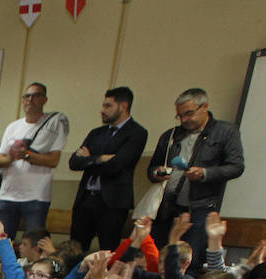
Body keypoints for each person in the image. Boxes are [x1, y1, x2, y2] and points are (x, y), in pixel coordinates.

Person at [147, 88, 245, 266]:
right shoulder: (171, 135)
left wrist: (205, 173)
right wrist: (157, 173)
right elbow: (151, 169)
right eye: (180, 116)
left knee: (188, 261)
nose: (184, 120)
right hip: (167, 206)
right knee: (157, 257)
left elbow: (236, 167)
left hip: (200, 207)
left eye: (189, 114)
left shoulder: (226, 131)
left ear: (205, 107)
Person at [68, 87, 149, 253]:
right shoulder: (97, 133)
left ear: (123, 106)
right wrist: (99, 158)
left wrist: (89, 159)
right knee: (74, 249)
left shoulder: (136, 133)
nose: (102, 110)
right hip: (85, 199)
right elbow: (74, 162)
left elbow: (116, 165)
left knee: (107, 250)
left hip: (112, 202)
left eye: (108, 106)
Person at [0, 83, 69, 235]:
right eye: (27, 96)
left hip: (36, 197)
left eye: (36, 96)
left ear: (44, 100)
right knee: (2, 243)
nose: (30, 100)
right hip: (8, 195)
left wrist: (27, 155)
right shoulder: (13, 127)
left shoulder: (53, 125)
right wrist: (12, 157)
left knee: (33, 246)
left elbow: (53, 161)